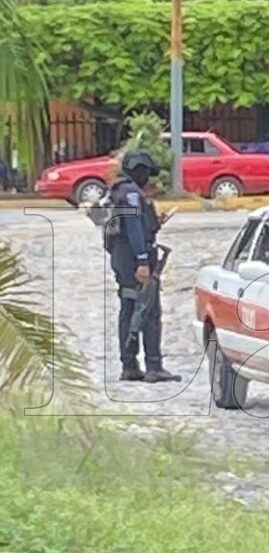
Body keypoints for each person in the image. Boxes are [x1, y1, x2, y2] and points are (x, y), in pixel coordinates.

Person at [105, 149, 180, 383]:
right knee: (148, 310)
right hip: (135, 259)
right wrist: (142, 261)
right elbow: (135, 228)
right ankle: (153, 366)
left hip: (122, 258)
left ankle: (129, 364)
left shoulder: (119, 191)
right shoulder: (132, 195)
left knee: (129, 308)